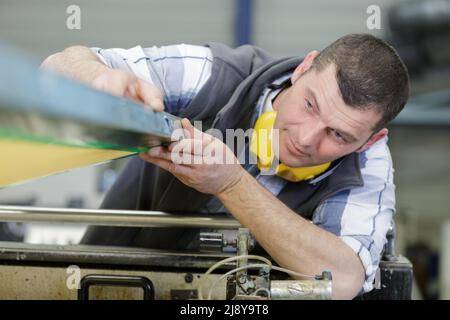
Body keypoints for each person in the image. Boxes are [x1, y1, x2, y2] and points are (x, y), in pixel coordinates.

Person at [41, 34, 410, 299]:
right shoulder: (220, 74)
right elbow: (58, 66)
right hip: (113, 284)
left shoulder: (369, 164)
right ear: (304, 68)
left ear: (372, 140)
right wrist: (96, 79)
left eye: (339, 135)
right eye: (310, 105)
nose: (307, 138)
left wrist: (232, 184)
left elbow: (342, 281)